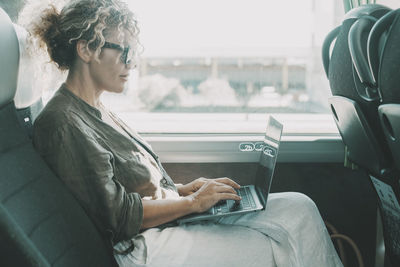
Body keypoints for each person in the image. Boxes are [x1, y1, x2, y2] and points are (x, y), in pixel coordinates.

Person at [29, 0, 343, 266]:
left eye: (132, 53)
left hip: (163, 222)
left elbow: (136, 186)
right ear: (86, 49)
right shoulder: (63, 122)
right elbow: (118, 216)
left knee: (299, 207)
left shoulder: (97, 108)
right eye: (122, 52)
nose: (131, 63)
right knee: (279, 245)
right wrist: (193, 204)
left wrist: (184, 190)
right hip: (142, 247)